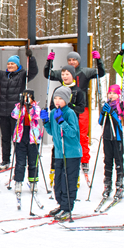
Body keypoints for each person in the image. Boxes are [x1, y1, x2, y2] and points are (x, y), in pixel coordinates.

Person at [45, 49, 105, 174]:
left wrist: (98, 60)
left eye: (74, 60)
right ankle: (58, 162)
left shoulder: (85, 71)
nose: (72, 62)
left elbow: (101, 73)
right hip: (64, 109)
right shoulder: (64, 73)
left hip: (80, 107)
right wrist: (49, 61)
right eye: (69, 60)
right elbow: (48, 74)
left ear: (78, 61)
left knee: (81, 135)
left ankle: (84, 160)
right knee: (62, 134)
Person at [0, 45, 38, 167]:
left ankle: (19, 159)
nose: (10, 66)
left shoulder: (23, 75)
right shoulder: (3, 75)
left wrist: (31, 58)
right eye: (9, 64)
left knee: (17, 137)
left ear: (18, 65)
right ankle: (5, 160)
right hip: (3, 112)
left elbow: (34, 71)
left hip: (16, 113)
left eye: (13, 64)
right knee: (5, 137)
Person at [41, 86, 81, 220]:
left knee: (68, 180)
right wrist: (46, 121)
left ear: (67, 100)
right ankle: (61, 204)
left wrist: (62, 122)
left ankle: (67, 207)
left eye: (61, 98)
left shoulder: (70, 113)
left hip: (71, 153)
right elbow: (52, 132)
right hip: (59, 153)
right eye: (55, 98)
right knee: (58, 181)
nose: (57, 101)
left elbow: (72, 133)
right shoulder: (53, 113)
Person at [9, 89, 43, 199]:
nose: (26, 99)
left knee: (33, 161)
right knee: (20, 161)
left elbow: (36, 116)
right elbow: (14, 115)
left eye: (28, 97)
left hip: (33, 136)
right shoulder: (19, 107)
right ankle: (18, 181)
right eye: (24, 97)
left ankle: (33, 181)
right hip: (20, 137)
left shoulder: (35, 107)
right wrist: (21, 106)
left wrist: (30, 107)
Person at [98, 84, 124, 202]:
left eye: (114, 93)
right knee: (107, 161)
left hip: (117, 138)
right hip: (107, 137)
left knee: (118, 161)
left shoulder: (121, 106)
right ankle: (107, 185)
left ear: (119, 95)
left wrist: (113, 113)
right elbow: (100, 121)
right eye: (110, 93)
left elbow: (121, 124)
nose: (112, 95)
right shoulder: (106, 105)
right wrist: (103, 113)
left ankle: (119, 185)